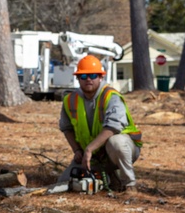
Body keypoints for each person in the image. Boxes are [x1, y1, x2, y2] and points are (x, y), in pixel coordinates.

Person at [58, 55, 142, 193]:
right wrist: (77, 151)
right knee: (64, 182)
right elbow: (66, 128)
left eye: (93, 75)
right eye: (83, 75)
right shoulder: (70, 100)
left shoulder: (111, 96)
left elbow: (113, 127)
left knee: (116, 142)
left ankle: (129, 184)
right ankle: (109, 178)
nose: (88, 79)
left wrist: (89, 149)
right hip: (94, 156)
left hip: (121, 151)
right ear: (78, 78)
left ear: (101, 77)